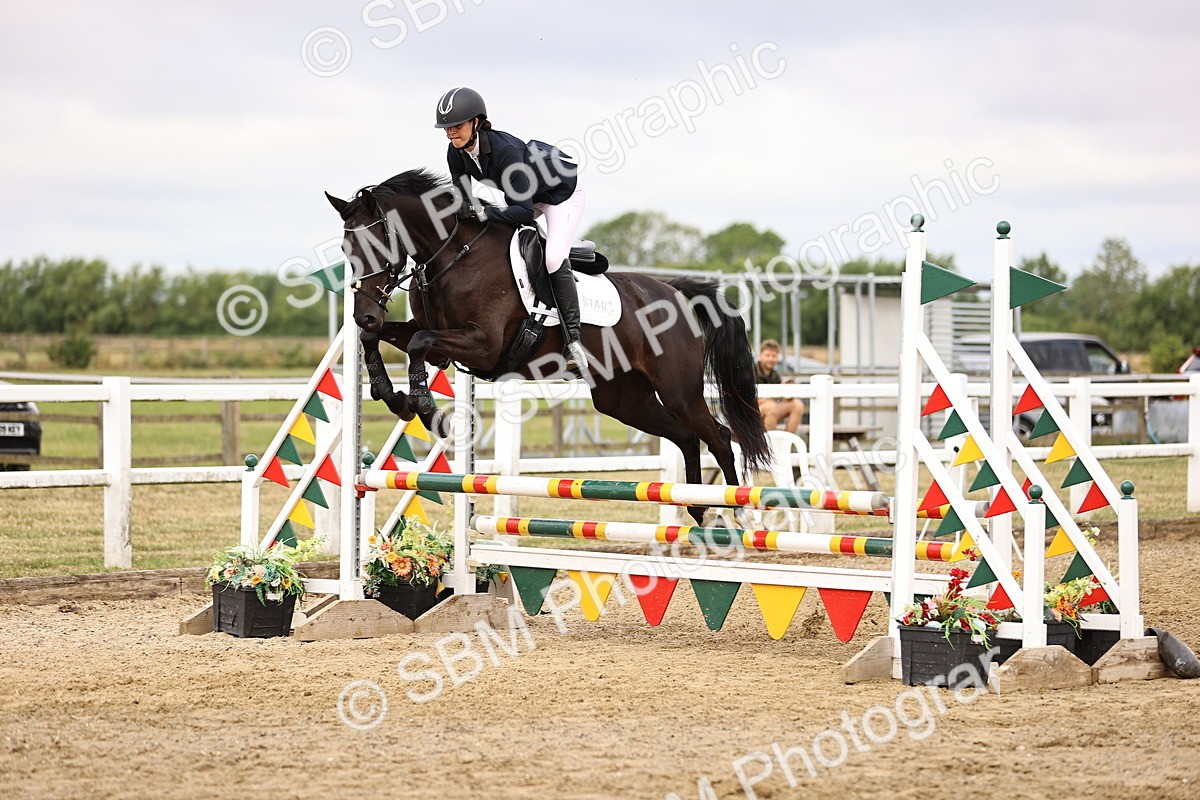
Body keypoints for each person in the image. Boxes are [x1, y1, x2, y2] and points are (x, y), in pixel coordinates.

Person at [434, 86, 588, 377]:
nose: (450, 133)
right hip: (526, 195)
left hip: (561, 195)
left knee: (553, 259)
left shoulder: (506, 151)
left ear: (476, 122)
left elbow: (523, 213)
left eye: (456, 126)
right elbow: (463, 200)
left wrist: (482, 212)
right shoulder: (456, 153)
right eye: (446, 128)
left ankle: (574, 342)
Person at [754, 339, 804, 434]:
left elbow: (778, 399)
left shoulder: (775, 374)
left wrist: (786, 391)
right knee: (771, 407)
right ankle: (769, 446)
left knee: (797, 405)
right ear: (760, 357)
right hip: (753, 412)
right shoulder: (751, 371)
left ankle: (786, 443)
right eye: (767, 355)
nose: (771, 359)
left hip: (771, 408)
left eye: (774, 356)